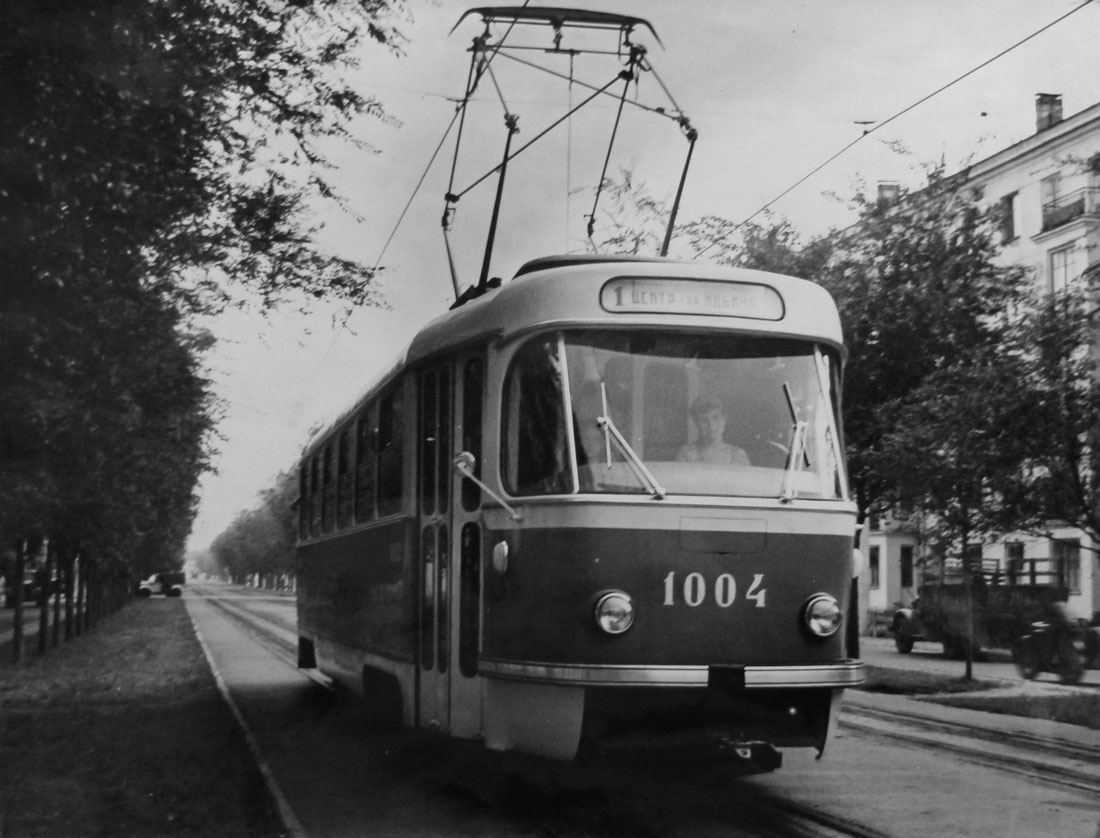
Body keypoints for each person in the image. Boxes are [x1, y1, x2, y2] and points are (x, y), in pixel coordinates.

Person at [677, 396, 750, 465]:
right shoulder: (686, 454)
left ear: (724, 420)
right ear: (697, 424)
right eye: (704, 420)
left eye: (716, 418)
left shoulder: (738, 456)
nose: (711, 425)